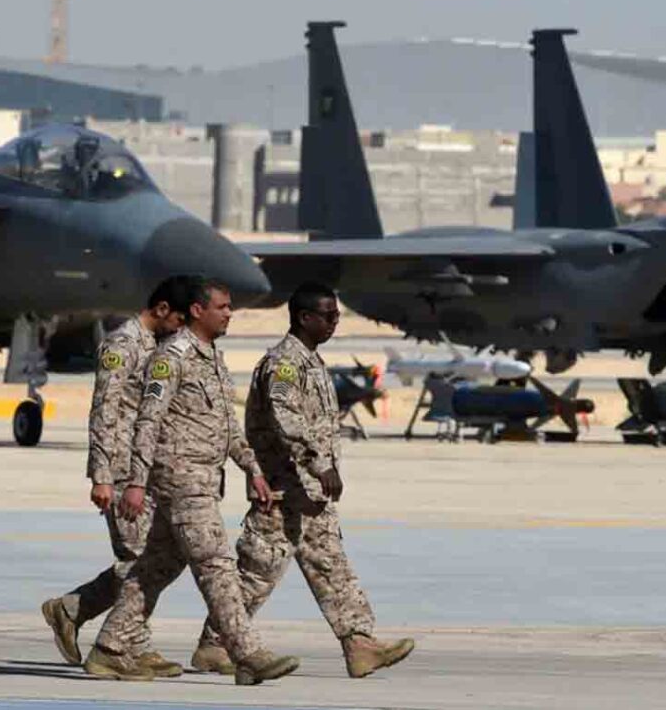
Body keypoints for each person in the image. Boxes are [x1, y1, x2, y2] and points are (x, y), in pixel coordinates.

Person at [192, 282, 414, 679]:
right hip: (283, 489)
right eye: (328, 316)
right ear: (304, 318)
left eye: (337, 316)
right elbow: (286, 419)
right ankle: (215, 644)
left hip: (308, 493)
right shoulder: (284, 364)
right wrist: (319, 464)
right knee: (257, 573)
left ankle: (359, 643)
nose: (334, 323)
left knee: (331, 566)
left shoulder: (311, 362)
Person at [85, 277, 300, 685]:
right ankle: (246, 653)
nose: (229, 313)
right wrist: (134, 481)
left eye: (230, 307)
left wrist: (251, 468)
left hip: (203, 477)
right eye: (222, 307)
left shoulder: (212, 359)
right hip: (179, 479)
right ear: (198, 311)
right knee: (216, 565)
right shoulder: (172, 358)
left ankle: (110, 648)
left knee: (156, 566)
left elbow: (226, 426)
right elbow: (147, 419)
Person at [41, 277, 190, 678]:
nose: (180, 328)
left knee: (163, 556)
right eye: (177, 318)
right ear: (160, 310)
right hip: (121, 470)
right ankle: (128, 645)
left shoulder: (158, 348)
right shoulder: (122, 345)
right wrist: (102, 476)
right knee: (137, 559)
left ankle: (74, 609)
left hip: (146, 469)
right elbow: (103, 411)